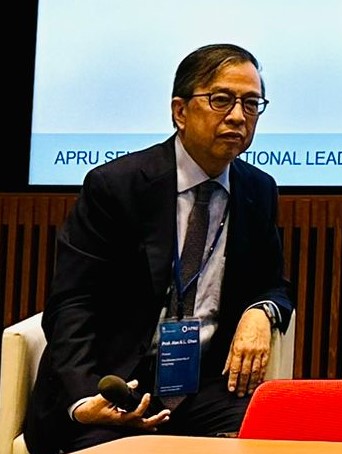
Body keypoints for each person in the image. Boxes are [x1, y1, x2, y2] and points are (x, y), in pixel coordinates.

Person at [24, 44, 293, 454]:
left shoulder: (258, 190)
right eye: (221, 100)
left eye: (251, 103)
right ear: (180, 111)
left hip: (203, 390)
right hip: (115, 385)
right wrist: (83, 400)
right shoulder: (117, 187)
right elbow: (72, 304)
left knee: (276, 438)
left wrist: (261, 311)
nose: (238, 116)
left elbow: (273, 284)